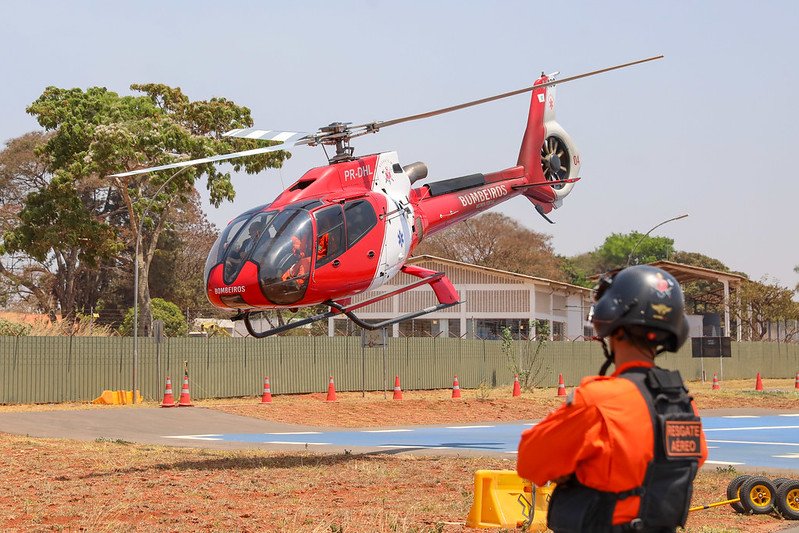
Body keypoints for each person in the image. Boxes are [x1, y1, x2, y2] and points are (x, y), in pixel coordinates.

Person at [517, 265, 707, 533]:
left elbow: (530, 462)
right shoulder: (683, 402)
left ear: (612, 319)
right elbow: (692, 461)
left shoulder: (597, 400)